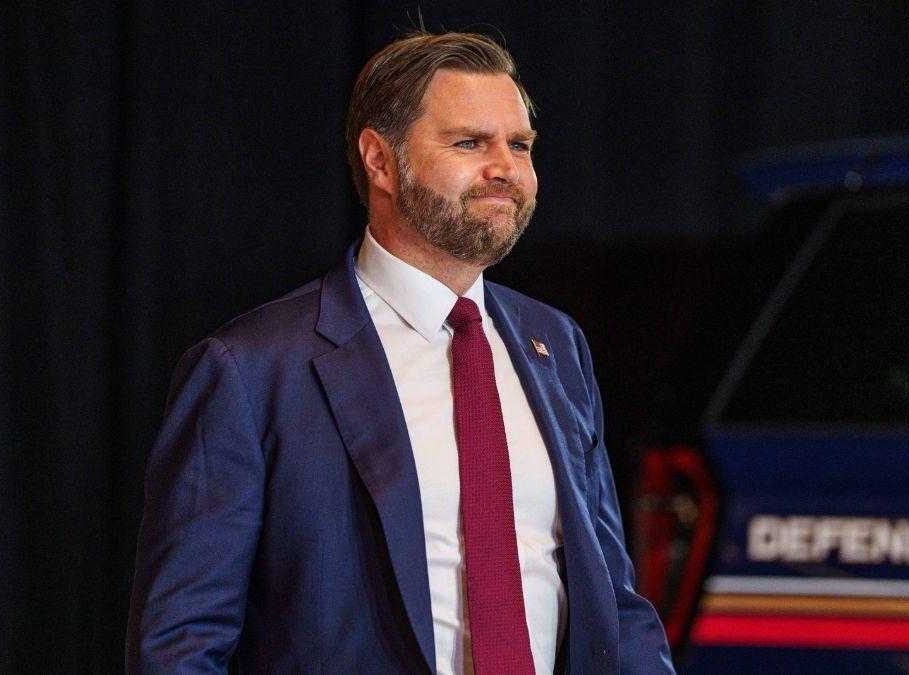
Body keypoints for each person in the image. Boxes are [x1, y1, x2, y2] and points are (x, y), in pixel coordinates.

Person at [126, 30, 673, 674]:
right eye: (470, 143)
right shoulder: (248, 370)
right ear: (380, 161)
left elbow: (614, 601)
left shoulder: (556, 343)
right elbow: (180, 647)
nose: (505, 167)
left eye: (520, 145)